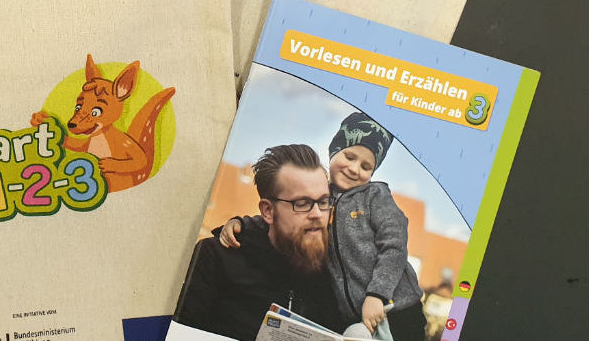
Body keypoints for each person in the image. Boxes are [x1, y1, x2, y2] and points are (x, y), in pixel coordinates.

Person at [221, 112, 426, 339]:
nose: (354, 169)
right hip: (357, 317)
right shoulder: (322, 195)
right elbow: (286, 216)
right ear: (334, 150)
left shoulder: (375, 196)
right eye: (349, 156)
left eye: (366, 166)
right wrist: (242, 224)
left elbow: (395, 246)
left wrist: (377, 295)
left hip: (397, 308)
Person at [172, 144, 345, 340]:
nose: (317, 214)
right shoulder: (215, 256)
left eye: (323, 202)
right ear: (268, 211)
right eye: (302, 204)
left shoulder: (336, 270)